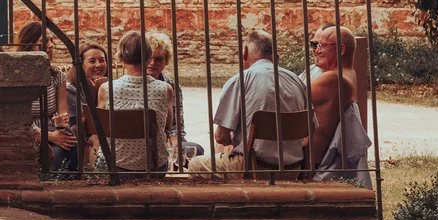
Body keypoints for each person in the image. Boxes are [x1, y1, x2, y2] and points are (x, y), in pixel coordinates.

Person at [211, 30, 312, 171]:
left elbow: (221, 137)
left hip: (253, 168)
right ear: (275, 56)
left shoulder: (240, 79)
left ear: (244, 52)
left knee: (196, 164)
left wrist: (238, 141)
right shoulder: (297, 81)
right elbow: (310, 132)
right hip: (293, 169)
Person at [98, 28, 178, 174]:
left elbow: (101, 127)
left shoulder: (106, 88)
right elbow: (167, 125)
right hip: (154, 167)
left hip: (113, 166)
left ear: (120, 58)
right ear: (148, 58)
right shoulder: (165, 89)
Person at [310, 25, 372, 186]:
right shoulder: (349, 74)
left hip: (307, 161)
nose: (316, 51)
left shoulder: (334, 79)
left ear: (341, 50)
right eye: (315, 45)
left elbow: (290, 99)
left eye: (322, 45)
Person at [19, 20, 79, 175]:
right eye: (44, 41)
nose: (51, 45)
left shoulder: (57, 76)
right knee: (57, 153)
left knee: (69, 136)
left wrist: (61, 122)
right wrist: (50, 137)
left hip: (52, 128)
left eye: (52, 40)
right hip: (28, 131)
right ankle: (54, 183)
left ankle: (75, 177)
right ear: (29, 45)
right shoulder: (17, 77)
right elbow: (19, 121)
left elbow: (62, 113)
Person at [146, 31, 199, 170]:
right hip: (142, 141)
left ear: (166, 61)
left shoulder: (172, 86)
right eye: (148, 58)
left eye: (158, 59)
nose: (152, 63)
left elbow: (176, 124)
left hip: (168, 139)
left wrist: (175, 145)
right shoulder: (135, 82)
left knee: (195, 150)